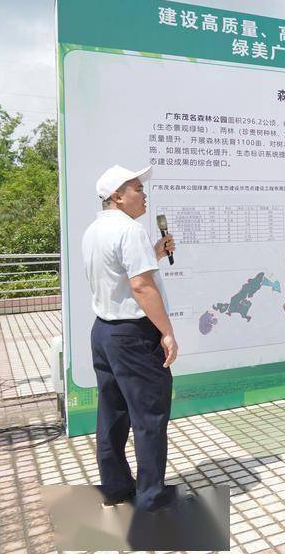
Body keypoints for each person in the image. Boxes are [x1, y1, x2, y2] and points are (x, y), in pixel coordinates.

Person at [82, 164, 179, 512]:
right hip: (134, 336)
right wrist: (166, 332)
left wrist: (153, 253)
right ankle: (151, 496)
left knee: (112, 412)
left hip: (104, 332)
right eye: (137, 188)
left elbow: (118, 274)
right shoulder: (129, 230)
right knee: (149, 417)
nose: (144, 193)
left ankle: (116, 487)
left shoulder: (95, 229)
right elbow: (140, 286)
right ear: (118, 197)